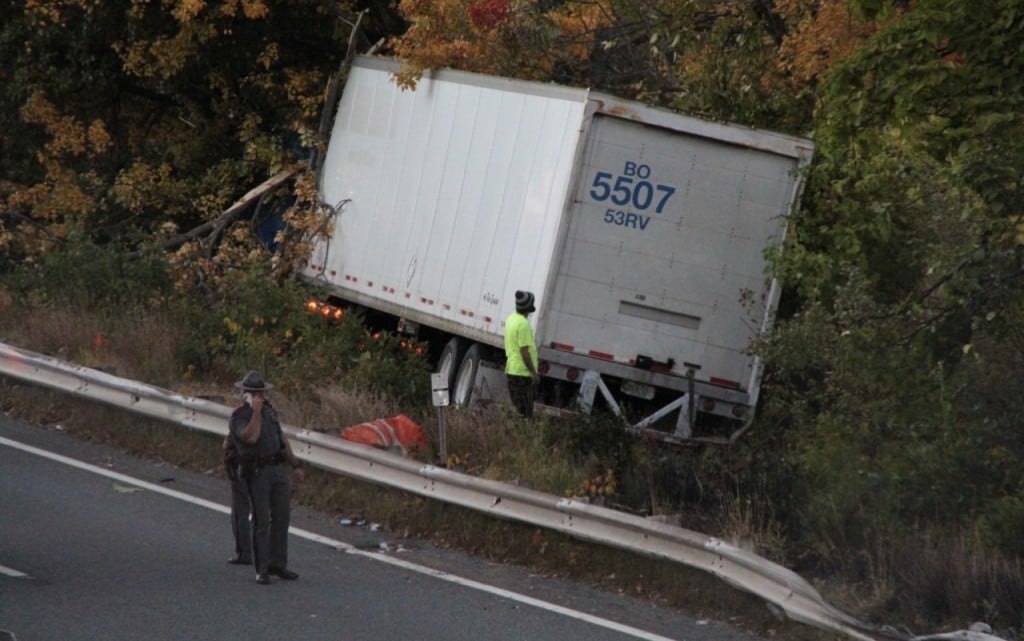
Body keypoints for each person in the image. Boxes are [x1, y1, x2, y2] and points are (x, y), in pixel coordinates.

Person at [229, 371, 304, 585]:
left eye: (260, 392)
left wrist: (295, 464)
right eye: (253, 393)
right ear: (244, 394)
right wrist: (255, 412)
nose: (258, 396)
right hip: (257, 472)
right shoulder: (239, 416)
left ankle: (278, 564)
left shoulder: (270, 413)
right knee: (261, 520)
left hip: (277, 468)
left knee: (282, 517)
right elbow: (250, 437)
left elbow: (281, 439)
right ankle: (261, 569)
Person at [504, 290, 539, 418]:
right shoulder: (523, 325)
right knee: (525, 414)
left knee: (518, 410)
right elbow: (524, 352)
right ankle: (520, 436)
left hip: (512, 370)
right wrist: (533, 373)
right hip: (522, 374)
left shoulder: (511, 318)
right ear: (529, 308)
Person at [222, 432, 252, 566]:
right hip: (265, 470)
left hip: (243, 467)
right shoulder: (270, 416)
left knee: (240, 512)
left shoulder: (240, 417)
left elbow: (226, 444)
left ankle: (245, 552)